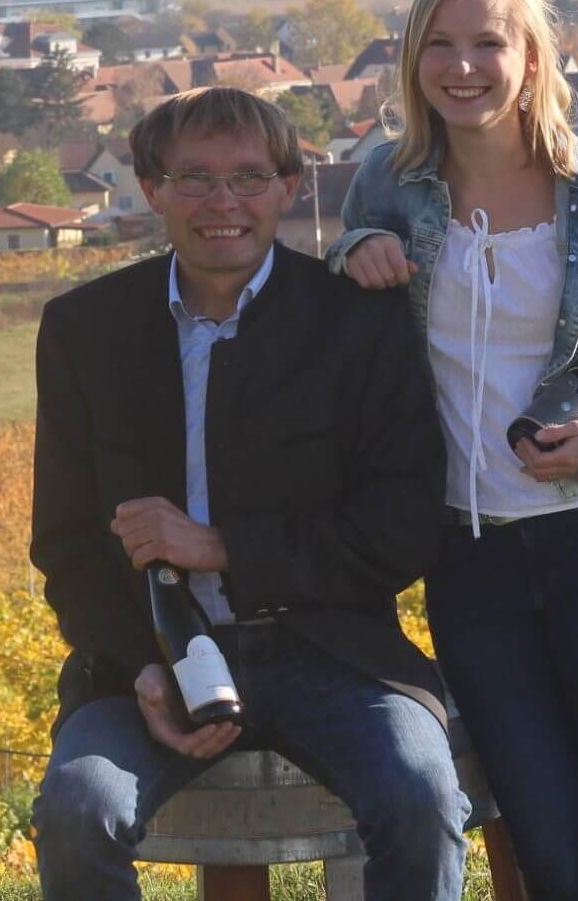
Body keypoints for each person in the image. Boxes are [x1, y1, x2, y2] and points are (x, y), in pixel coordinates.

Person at [31, 86, 468, 901]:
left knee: (422, 798)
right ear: (152, 188)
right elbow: (65, 543)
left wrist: (223, 546)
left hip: (334, 653)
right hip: (148, 660)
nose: (222, 201)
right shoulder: (83, 330)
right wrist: (141, 668)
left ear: (288, 186)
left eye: (248, 177)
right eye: (194, 177)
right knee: (77, 811)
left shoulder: (357, 320)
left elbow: (403, 526)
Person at [332, 0, 578, 901]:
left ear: (532, 56)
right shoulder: (385, 186)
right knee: (543, 829)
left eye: (487, 42)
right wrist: (355, 252)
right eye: (439, 44)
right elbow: (348, 332)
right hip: (472, 556)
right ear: (413, 60)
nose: (462, 66)